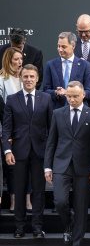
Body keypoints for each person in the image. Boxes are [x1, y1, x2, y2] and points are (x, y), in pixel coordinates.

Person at [44, 81, 90, 246]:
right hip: (61, 164)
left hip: (83, 167)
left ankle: (77, 241)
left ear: (83, 95)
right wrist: (47, 167)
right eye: (69, 96)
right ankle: (69, 224)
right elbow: (51, 142)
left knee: (81, 206)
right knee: (60, 202)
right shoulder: (57, 114)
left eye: (75, 96)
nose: (72, 99)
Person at [2, 64, 53, 238]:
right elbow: (6, 128)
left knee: (39, 191)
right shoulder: (12, 99)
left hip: (40, 152)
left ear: (37, 79)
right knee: (19, 189)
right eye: (26, 77)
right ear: (21, 78)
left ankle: (37, 228)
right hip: (18, 152)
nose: (29, 80)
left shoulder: (46, 99)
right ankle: (19, 227)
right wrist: (7, 150)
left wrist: (50, 153)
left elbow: (51, 127)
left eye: (32, 76)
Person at [0, 47, 30, 213]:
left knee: (27, 165)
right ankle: (12, 200)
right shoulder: (1, 79)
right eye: (16, 59)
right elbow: (2, 107)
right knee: (11, 166)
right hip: (8, 129)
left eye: (21, 59)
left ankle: (27, 200)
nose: (19, 62)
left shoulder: (25, 79)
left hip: (25, 130)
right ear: (8, 60)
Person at [43, 32, 90, 109]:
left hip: (79, 111)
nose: (60, 49)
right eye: (58, 46)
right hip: (57, 111)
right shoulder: (51, 64)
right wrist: (56, 92)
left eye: (63, 47)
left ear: (73, 46)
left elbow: (89, 92)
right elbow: (46, 90)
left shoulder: (85, 65)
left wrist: (69, 93)